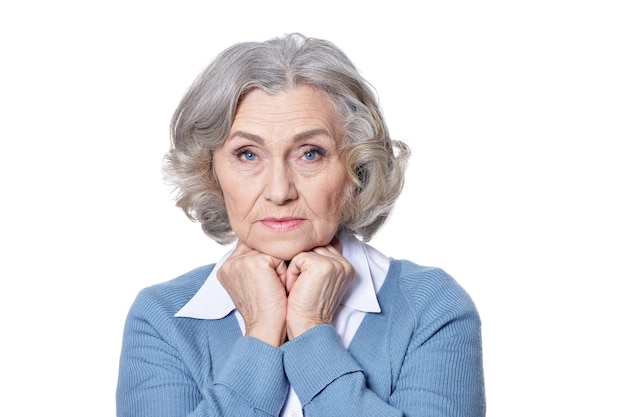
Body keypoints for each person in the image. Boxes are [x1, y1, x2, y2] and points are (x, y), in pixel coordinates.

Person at [116, 33, 486, 417]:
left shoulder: (430, 306)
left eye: (310, 154)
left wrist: (311, 331)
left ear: (355, 168)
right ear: (210, 171)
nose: (279, 191)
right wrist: (262, 332)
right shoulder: (162, 317)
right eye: (247, 154)